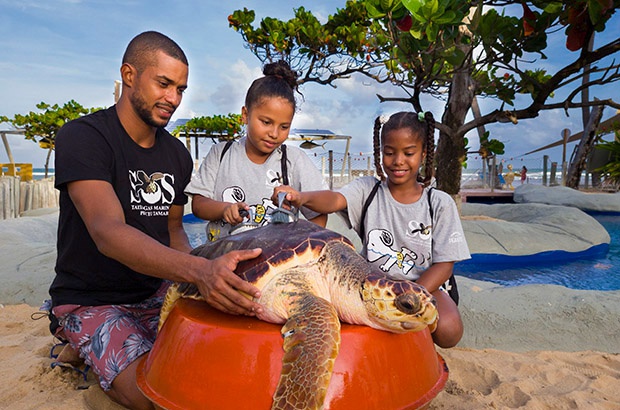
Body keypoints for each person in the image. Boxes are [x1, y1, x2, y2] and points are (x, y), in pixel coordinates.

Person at [49, 31, 263, 410]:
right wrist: (199, 270)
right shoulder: (83, 137)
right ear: (129, 74)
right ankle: (77, 339)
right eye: (163, 83)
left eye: (180, 88)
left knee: (229, 360)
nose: (173, 99)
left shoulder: (177, 155)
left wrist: (203, 275)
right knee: (157, 394)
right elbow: (107, 233)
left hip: (156, 293)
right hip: (92, 300)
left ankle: (89, 351)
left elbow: (174, 231)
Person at [272, 111, 471, 348]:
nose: (398, 161)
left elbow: (445, 264)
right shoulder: (368, 190)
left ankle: (420, 355)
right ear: (380, 152)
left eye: (409, 153)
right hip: (369, 285)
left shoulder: (438, 202)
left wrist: (411, 296)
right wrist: (302, 197)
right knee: (335, 320)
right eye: (389, 152)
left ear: (424, 153)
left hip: (422, 285)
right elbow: (334, 200)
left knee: (449, 330)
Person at [185, 60, 327, 240]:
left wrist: (301, 242)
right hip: (224, 261)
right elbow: (199, 204)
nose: (274, 133)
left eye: (284, 127)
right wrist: (224, 209)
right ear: (245, 115)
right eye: (266, 122)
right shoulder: (220, 154)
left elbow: (319, 213)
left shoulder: (294, 160)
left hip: (276, 263)